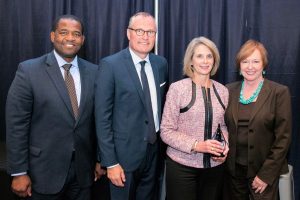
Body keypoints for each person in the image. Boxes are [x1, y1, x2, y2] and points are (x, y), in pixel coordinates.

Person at [6, 15, 105, 200]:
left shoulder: (95, 72)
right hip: (42, 173)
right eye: (64, 32)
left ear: (82, 40)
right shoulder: (28, 71)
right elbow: (16, 125)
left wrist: (100, 159)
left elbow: (99, 119)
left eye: (76, 34)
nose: (70, 38)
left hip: (83, 173)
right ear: (53, 36)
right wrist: (18, 172)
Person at [95, 12, 168, 200]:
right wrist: (110, 163)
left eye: (151, 32)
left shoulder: (161, 64)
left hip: (153, 154)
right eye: (140, 30)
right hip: (122, 158)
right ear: (128, 33)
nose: (145, 36)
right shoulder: (110, 65)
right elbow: (102, 118)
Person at [160, 36, 229, 200]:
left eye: (209, 56)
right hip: (182, 167)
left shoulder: (223, 91)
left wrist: (225, 147)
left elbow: (224, 126)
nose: (205, 61)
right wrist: (197, 145)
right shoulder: (178, 89)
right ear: (191, 61)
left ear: (214, 60)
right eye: (199, 56)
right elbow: (166, 131)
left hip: (214, 168)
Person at [225, 39, 292, 200]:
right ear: (239, 65)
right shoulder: (228, 90)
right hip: (232, 173)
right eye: (245, 61)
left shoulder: (279, 92)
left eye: (255, 61)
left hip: (263, 172)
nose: (250, 66)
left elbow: (283, 138)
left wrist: (265, 175)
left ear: (263, 64)